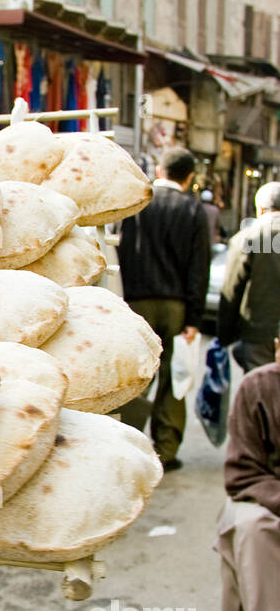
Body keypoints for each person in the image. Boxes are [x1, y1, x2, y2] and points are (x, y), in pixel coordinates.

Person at [116, 147, 210, 471]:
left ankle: (125, 444)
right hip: (176, 306)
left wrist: (122, 300)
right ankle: (165, 451)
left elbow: (123, 252)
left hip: (137, 302)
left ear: (159, 171)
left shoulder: (139, 204)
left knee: (138, 376)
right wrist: (194, 318)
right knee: (174, 378)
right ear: (190, 177)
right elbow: (200, 268)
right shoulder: (194, 211)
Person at [213, 333, 280, 611]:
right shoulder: (257, 388)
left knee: (249, 553)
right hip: (261, 501)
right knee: (249, 533)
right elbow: (241, 477)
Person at [217, 181, 280, 375]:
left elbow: (232, 289)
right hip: (262, 333)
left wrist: (224, 336)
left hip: (258, 334)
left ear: (260, 209)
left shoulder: (248, 237)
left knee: (259, 394)